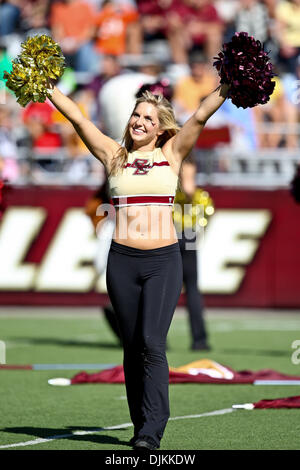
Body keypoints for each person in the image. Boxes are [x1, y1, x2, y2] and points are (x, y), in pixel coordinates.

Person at [44, 69, 230, 450]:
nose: (140, 121)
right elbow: (77, 117)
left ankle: (152, 431)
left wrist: (229, 84)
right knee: (131, 346)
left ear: (161, 129)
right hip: (122, 262)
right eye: (136, 115)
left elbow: (199, 116)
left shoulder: (172, 154)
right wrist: (46, 87)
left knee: (151, 342)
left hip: (162, 261)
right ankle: (139, 423)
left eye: (149, 118)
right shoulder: (113, 155)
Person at [174, 155, 211, 351]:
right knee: (190, 289)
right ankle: (200, 340)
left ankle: (199, 339)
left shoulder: (192, 192)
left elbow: (190, 192)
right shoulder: (199, 194)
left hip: (177, 234)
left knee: (178, 290)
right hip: (181, 234)